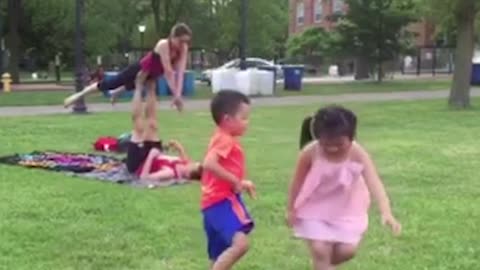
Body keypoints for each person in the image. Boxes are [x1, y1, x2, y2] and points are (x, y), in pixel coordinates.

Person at [286, 105, 402, 270]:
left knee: (347, 251)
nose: (332, 149)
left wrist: (386, 211)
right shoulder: (309, 153)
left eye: (339, 144)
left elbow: (374, 182)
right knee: (320, 249)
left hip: (347, 208)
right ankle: (322, 264)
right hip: (315, 207)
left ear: (352, 137)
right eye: (326, 144)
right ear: (317, 138)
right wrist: (291, 209)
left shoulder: (357, 153)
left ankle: (322, 265)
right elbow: (296, 183)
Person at [63, 22, 192, 111]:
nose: (183, 44)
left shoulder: (183, 48)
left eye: (186, 41)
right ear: (172, 37)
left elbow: (180, 72)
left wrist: (178, 94)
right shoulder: (163, 44)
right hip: (141, 68)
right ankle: (79, 95)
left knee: (141, 88)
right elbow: (169, 71)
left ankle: (116, 93)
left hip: (153, 74)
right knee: (113, 82)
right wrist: (176, 95)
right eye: (181, 41)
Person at [200, 90, 256, 270]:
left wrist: (241, 182)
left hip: (210, 204)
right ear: (228, 119)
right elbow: (209, 163)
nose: (247, 122)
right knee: (241, 244)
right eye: (244, 117)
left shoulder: (220, 137)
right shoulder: (225, 140)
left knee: (218, 255)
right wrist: (234, 181)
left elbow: (218, 168)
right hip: (222, 202)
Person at [137, 140, 202, 182]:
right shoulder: (184, 165)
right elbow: (184, 154)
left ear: (188, 175)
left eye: (192, 165)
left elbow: (144, 178)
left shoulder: (169, 173)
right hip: (147, 154)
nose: (191, 162)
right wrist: (178, 146)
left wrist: (151, 155)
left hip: (140, 163)